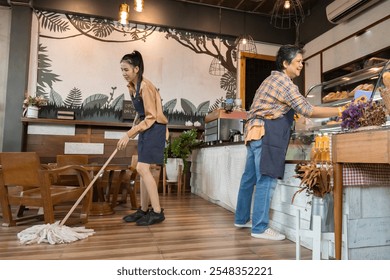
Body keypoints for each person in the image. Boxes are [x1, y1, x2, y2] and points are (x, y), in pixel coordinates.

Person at [234, 45, 341, 240]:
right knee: (266, 178)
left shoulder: (271, 79)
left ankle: (241, 219)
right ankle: (259, 227)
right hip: (266, 133)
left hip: (253, 132)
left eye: (302, 61)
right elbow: (308, 109)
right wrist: (340, 111)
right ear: (285, 63)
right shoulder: (285, 83)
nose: (301, 65)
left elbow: (292, 111)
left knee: (249, 179)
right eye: (298, 61)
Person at [117, 50, 168, 226]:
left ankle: (157, 212)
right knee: (142, 170)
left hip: (155, 128)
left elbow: (151, 116)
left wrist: (129, 134)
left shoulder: (145, 86)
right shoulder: (132, 86)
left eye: (126, 70)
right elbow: (141, 114)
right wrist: (132, 128)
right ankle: (144, 210)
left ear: (137, 69)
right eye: (122, 70)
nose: (124, 73)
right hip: (147, 128)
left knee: (143, 168)